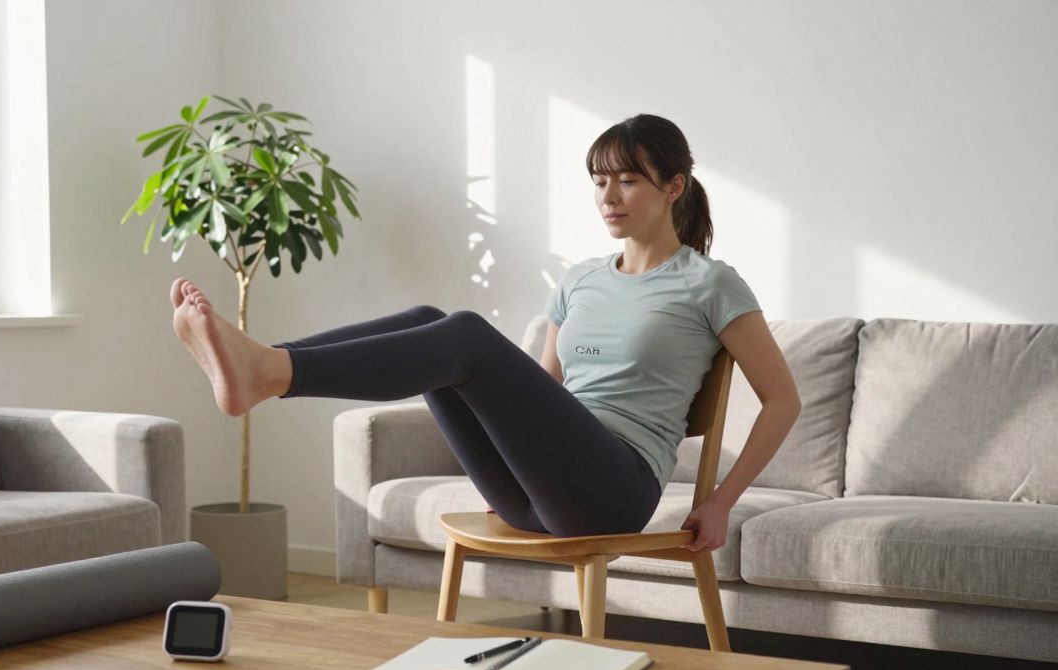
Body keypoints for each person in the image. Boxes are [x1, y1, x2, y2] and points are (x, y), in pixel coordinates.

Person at [168, 113, 801, 554]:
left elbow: (782, 400)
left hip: (612, 491)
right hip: (537, 496)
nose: (609, 195)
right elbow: (542, 391)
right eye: (600, 180)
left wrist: (718, 501)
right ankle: (266, 364)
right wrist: (524, 461)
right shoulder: (579, 280)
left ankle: (268, 372)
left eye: (628, 179)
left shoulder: (708, 283)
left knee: (465, 334)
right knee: (427, 322)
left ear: (674, 187)